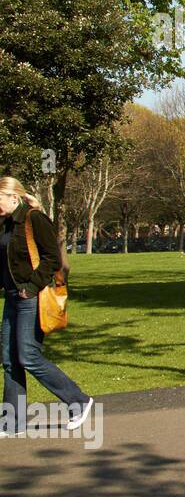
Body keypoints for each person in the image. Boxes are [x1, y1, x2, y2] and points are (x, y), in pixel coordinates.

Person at [0, 177, 93, 436]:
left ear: (13, 197)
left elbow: (53, 258)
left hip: (31, 297)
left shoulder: (33, 219)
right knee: (9, 360)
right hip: (11, 297)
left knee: (27, 355)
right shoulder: (5, 224)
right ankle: (12, 421)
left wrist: (30, 287)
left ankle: (80, 402)